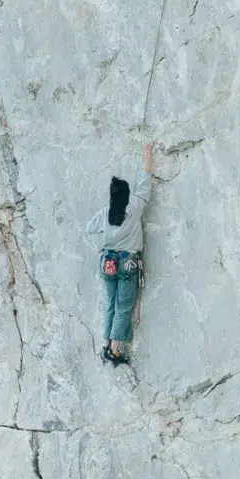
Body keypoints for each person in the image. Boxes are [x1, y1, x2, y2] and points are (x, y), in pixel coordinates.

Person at [93, 142, 156, 364]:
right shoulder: (134, 208)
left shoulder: (105, 214)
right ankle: (115, 349)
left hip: (107, 262)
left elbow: (90, 229)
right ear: (127, 196)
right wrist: (147, 155)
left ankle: (106, 343)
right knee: (124, 305)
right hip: (127, 263)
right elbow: (145, 181)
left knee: (111, 302)